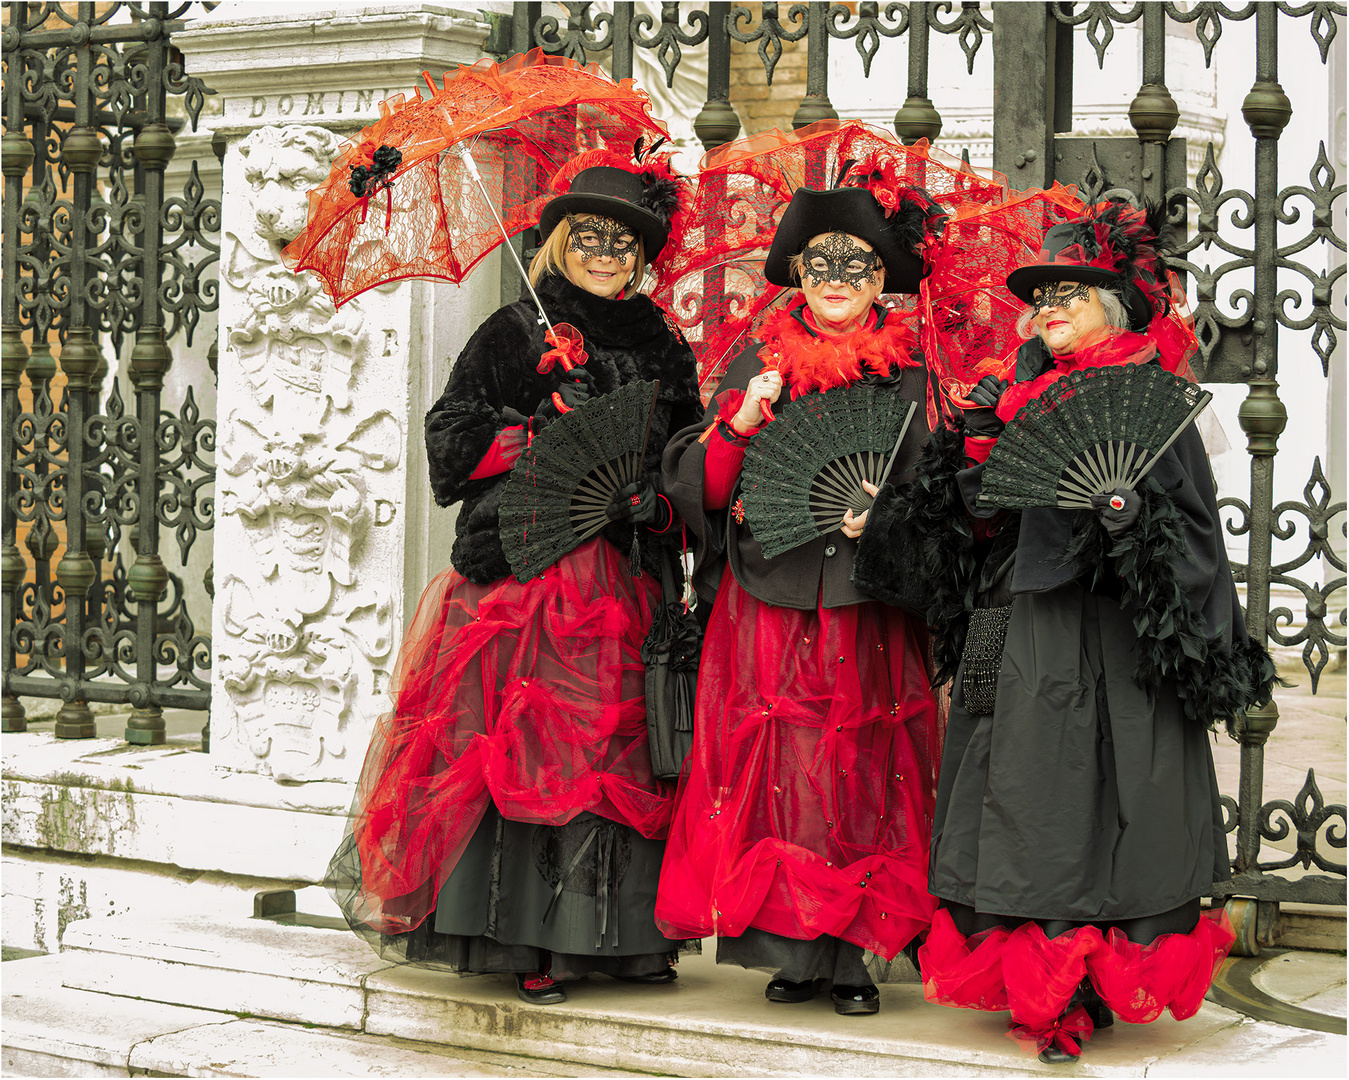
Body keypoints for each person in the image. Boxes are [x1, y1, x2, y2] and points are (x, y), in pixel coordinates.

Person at [857, 199, 1278, 1062]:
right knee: (1031, 799)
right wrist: (971, 456)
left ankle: (1095, 979)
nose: (1047, 312)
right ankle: (1050, 996)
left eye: (1068, 296)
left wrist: (1128, 522)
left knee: (1115, 796)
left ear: (1112, 309)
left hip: (1120, 642)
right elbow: (971, 535)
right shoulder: (1008, 391)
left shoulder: (1153, 401)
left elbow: (1194, 535)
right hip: (1021, 629)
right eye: (1040, 297)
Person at [327, 153, 704, 1005]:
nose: (606, 254)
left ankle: (609, 943)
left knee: (609, 748)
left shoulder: (661, 341)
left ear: (642, 254)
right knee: (525, 746)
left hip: (619, 569)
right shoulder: (513, 329)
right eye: (590, 238)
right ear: (560, 242)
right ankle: (523, 937)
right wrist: (532, 428)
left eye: (623, 241)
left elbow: (686, 451)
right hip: (519, 574)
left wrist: (652, 495)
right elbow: (449, 437)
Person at [654, 178, 946, 1016]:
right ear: (798, 274)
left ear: (879, 280)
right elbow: (702, 491)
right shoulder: (755, 364)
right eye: (821, 264)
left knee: (860, 771)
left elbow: (938, 498)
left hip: (866, 606)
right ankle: (789, 946)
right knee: (778, 770)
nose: (837, 278)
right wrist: (742, 422)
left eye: (856, 266)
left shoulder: (911, 380)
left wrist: (882, 523)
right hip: (771, 598)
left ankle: (853, 953)